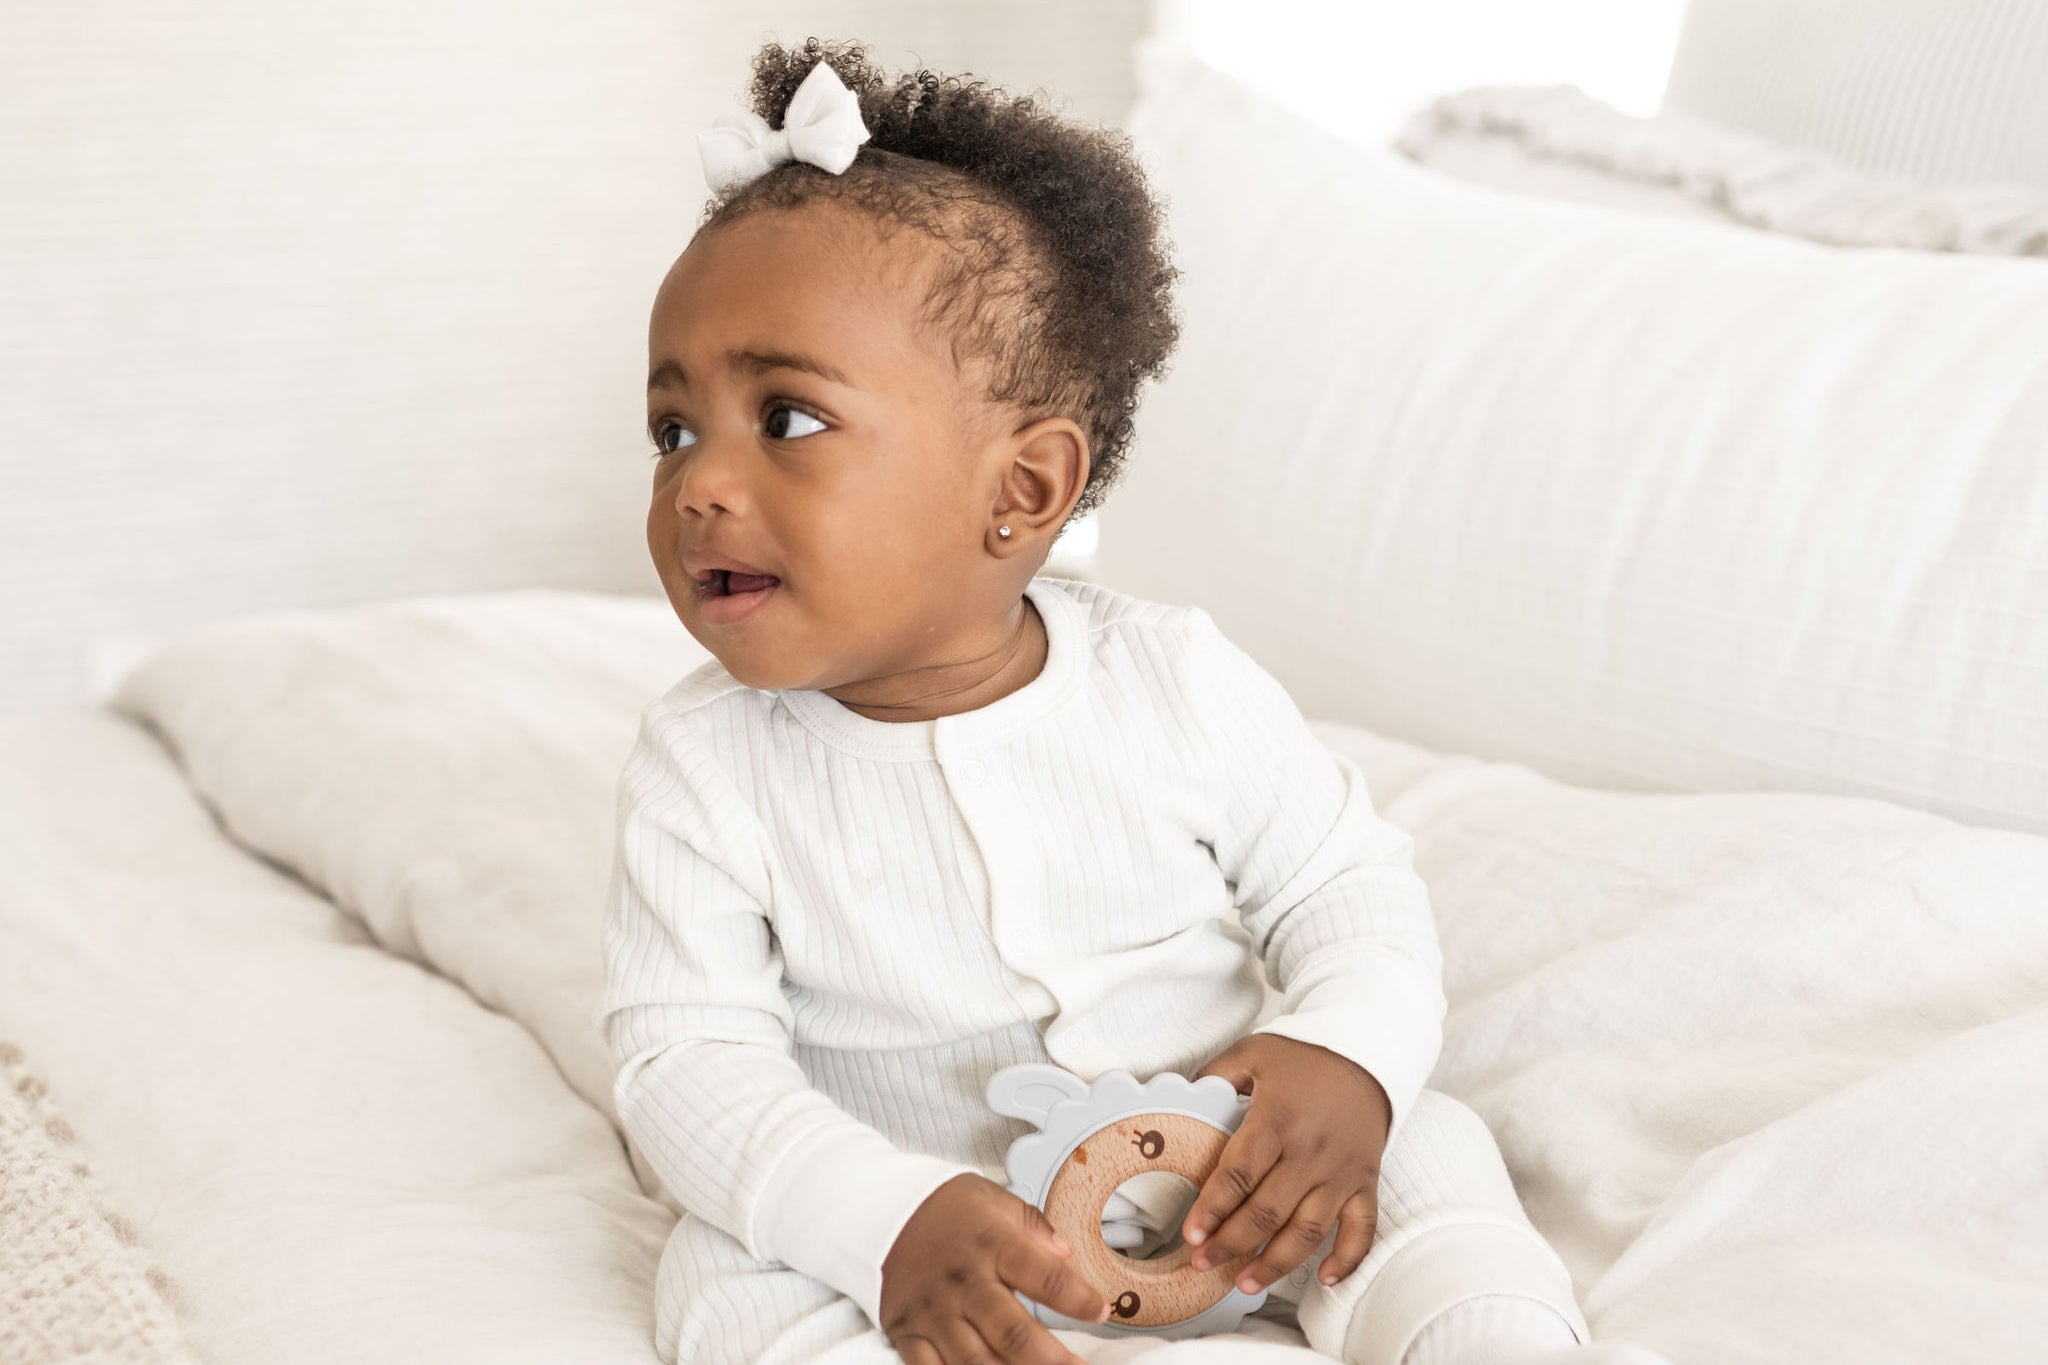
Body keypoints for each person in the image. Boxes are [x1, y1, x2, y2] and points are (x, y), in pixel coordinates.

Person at [601, 37, 1669, 1365]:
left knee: (1428, 1150)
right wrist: (878, 1219)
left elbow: (1346, 890)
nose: (699, 483)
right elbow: (685, 1064)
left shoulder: (1175, 680)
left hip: (1242, 1184)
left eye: (790, 418)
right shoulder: (703, 766)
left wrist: (1342, 1055)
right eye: (673, 428)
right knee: (723, 1269)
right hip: (933, 1230)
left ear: (1026, 490)